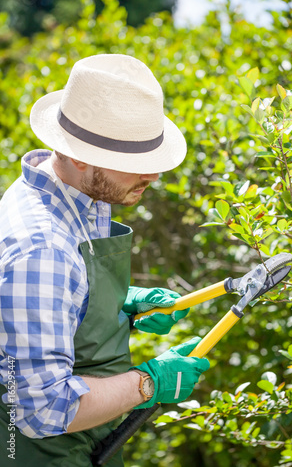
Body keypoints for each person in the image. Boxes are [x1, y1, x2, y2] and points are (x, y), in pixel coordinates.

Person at [0, 54, 210, 466]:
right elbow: (42, 411)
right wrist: (148, 383)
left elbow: (54, 300)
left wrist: (118, 302)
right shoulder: (42, 249)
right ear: (80, 156)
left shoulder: (77, 194)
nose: (152, 177)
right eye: (137, 164)